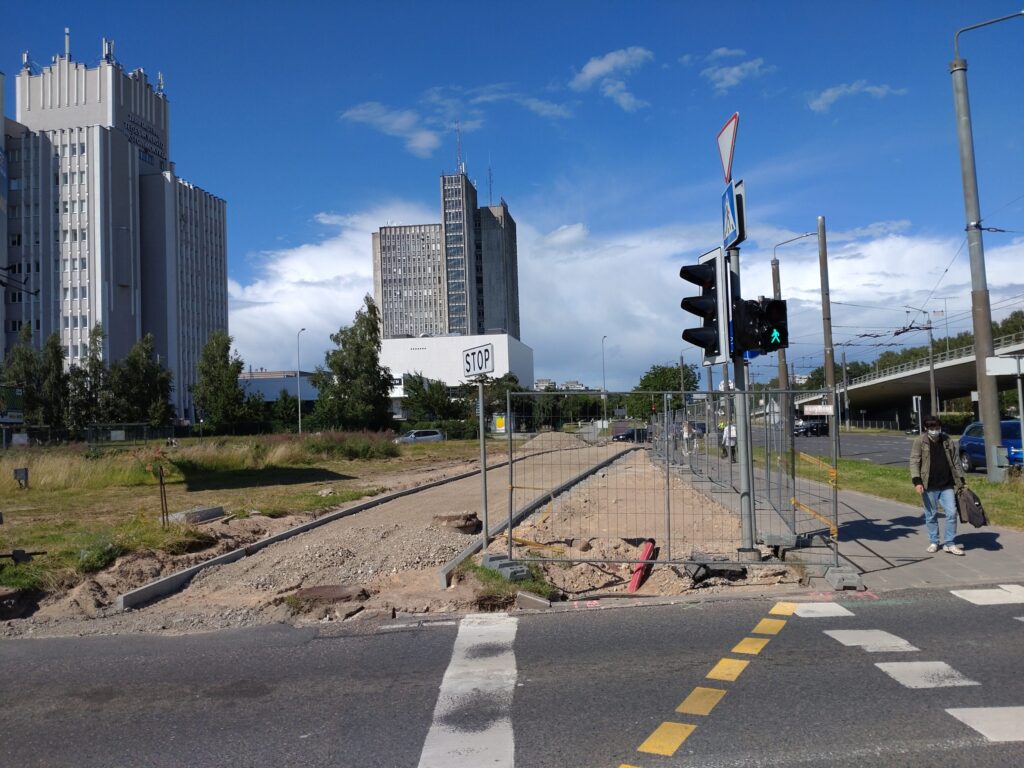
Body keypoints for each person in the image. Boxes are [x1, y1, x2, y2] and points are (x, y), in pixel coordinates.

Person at [909, 415, 966, 556]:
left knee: (952, 513)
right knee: (931, 515)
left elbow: (955, 460)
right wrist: (917, 481)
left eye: (937, 428)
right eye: (932, 428)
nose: (935, 430)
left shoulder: (947, 440)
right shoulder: (919, 441)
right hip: (929, 485)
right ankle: (934, 541)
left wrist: (961, 480)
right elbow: (914, 461)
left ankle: (950, 543)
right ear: (926, 429)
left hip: (947, 484)